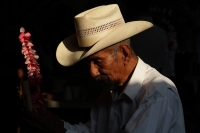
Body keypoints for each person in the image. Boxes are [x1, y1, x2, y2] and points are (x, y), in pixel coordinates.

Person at [23, 4, 186, 133]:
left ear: (124, 53)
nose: (92, 73)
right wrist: (56, 125)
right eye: (88, 63)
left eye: (98, 62)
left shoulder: (158, 94)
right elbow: (92, 130)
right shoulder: (112, 91)